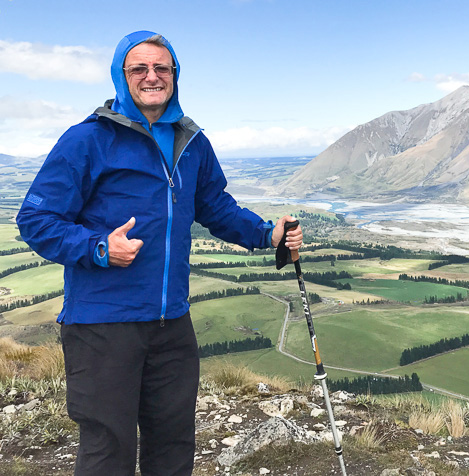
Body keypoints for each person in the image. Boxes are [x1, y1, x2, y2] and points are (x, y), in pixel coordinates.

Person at [16, 30, 302, 475]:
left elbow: (216, 206)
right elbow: (35, 220)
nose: (152, 76)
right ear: (120, 76)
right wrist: (97, 247)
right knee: (107, 450)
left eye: (162, 68)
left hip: (171, 322)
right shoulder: (87, 140)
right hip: (103, 324)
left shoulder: (191, 141)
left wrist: (268, 234)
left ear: (174, 76)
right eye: (139, 68)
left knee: (172, 445)